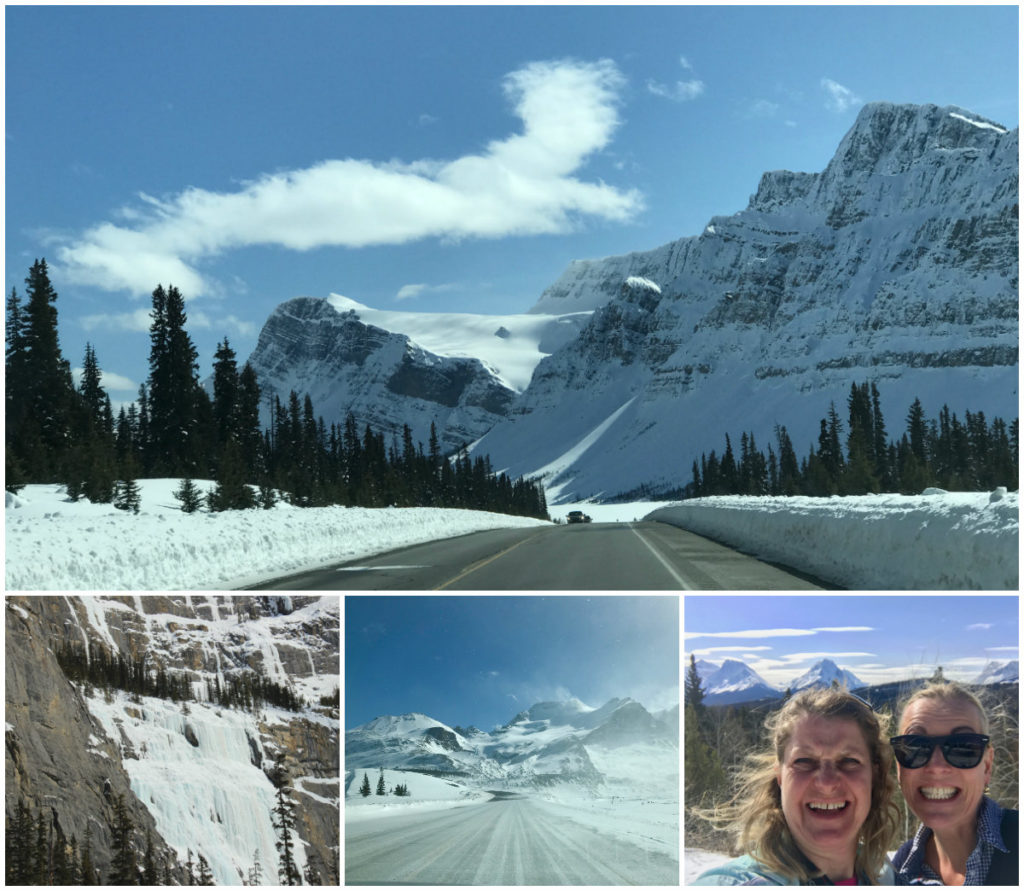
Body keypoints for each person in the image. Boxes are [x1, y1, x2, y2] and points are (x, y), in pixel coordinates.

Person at [693, 687, 899, 885]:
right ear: (779, 776)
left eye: (849, 761)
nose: (827, 783)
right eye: (804, 761)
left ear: (875, 775)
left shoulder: (884, 875)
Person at [891, 681, 1018, 885]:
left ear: (986, 766)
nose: (936, 766)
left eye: (963, 748)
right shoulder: (897, 871)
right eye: (916, 748)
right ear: (900, 769)